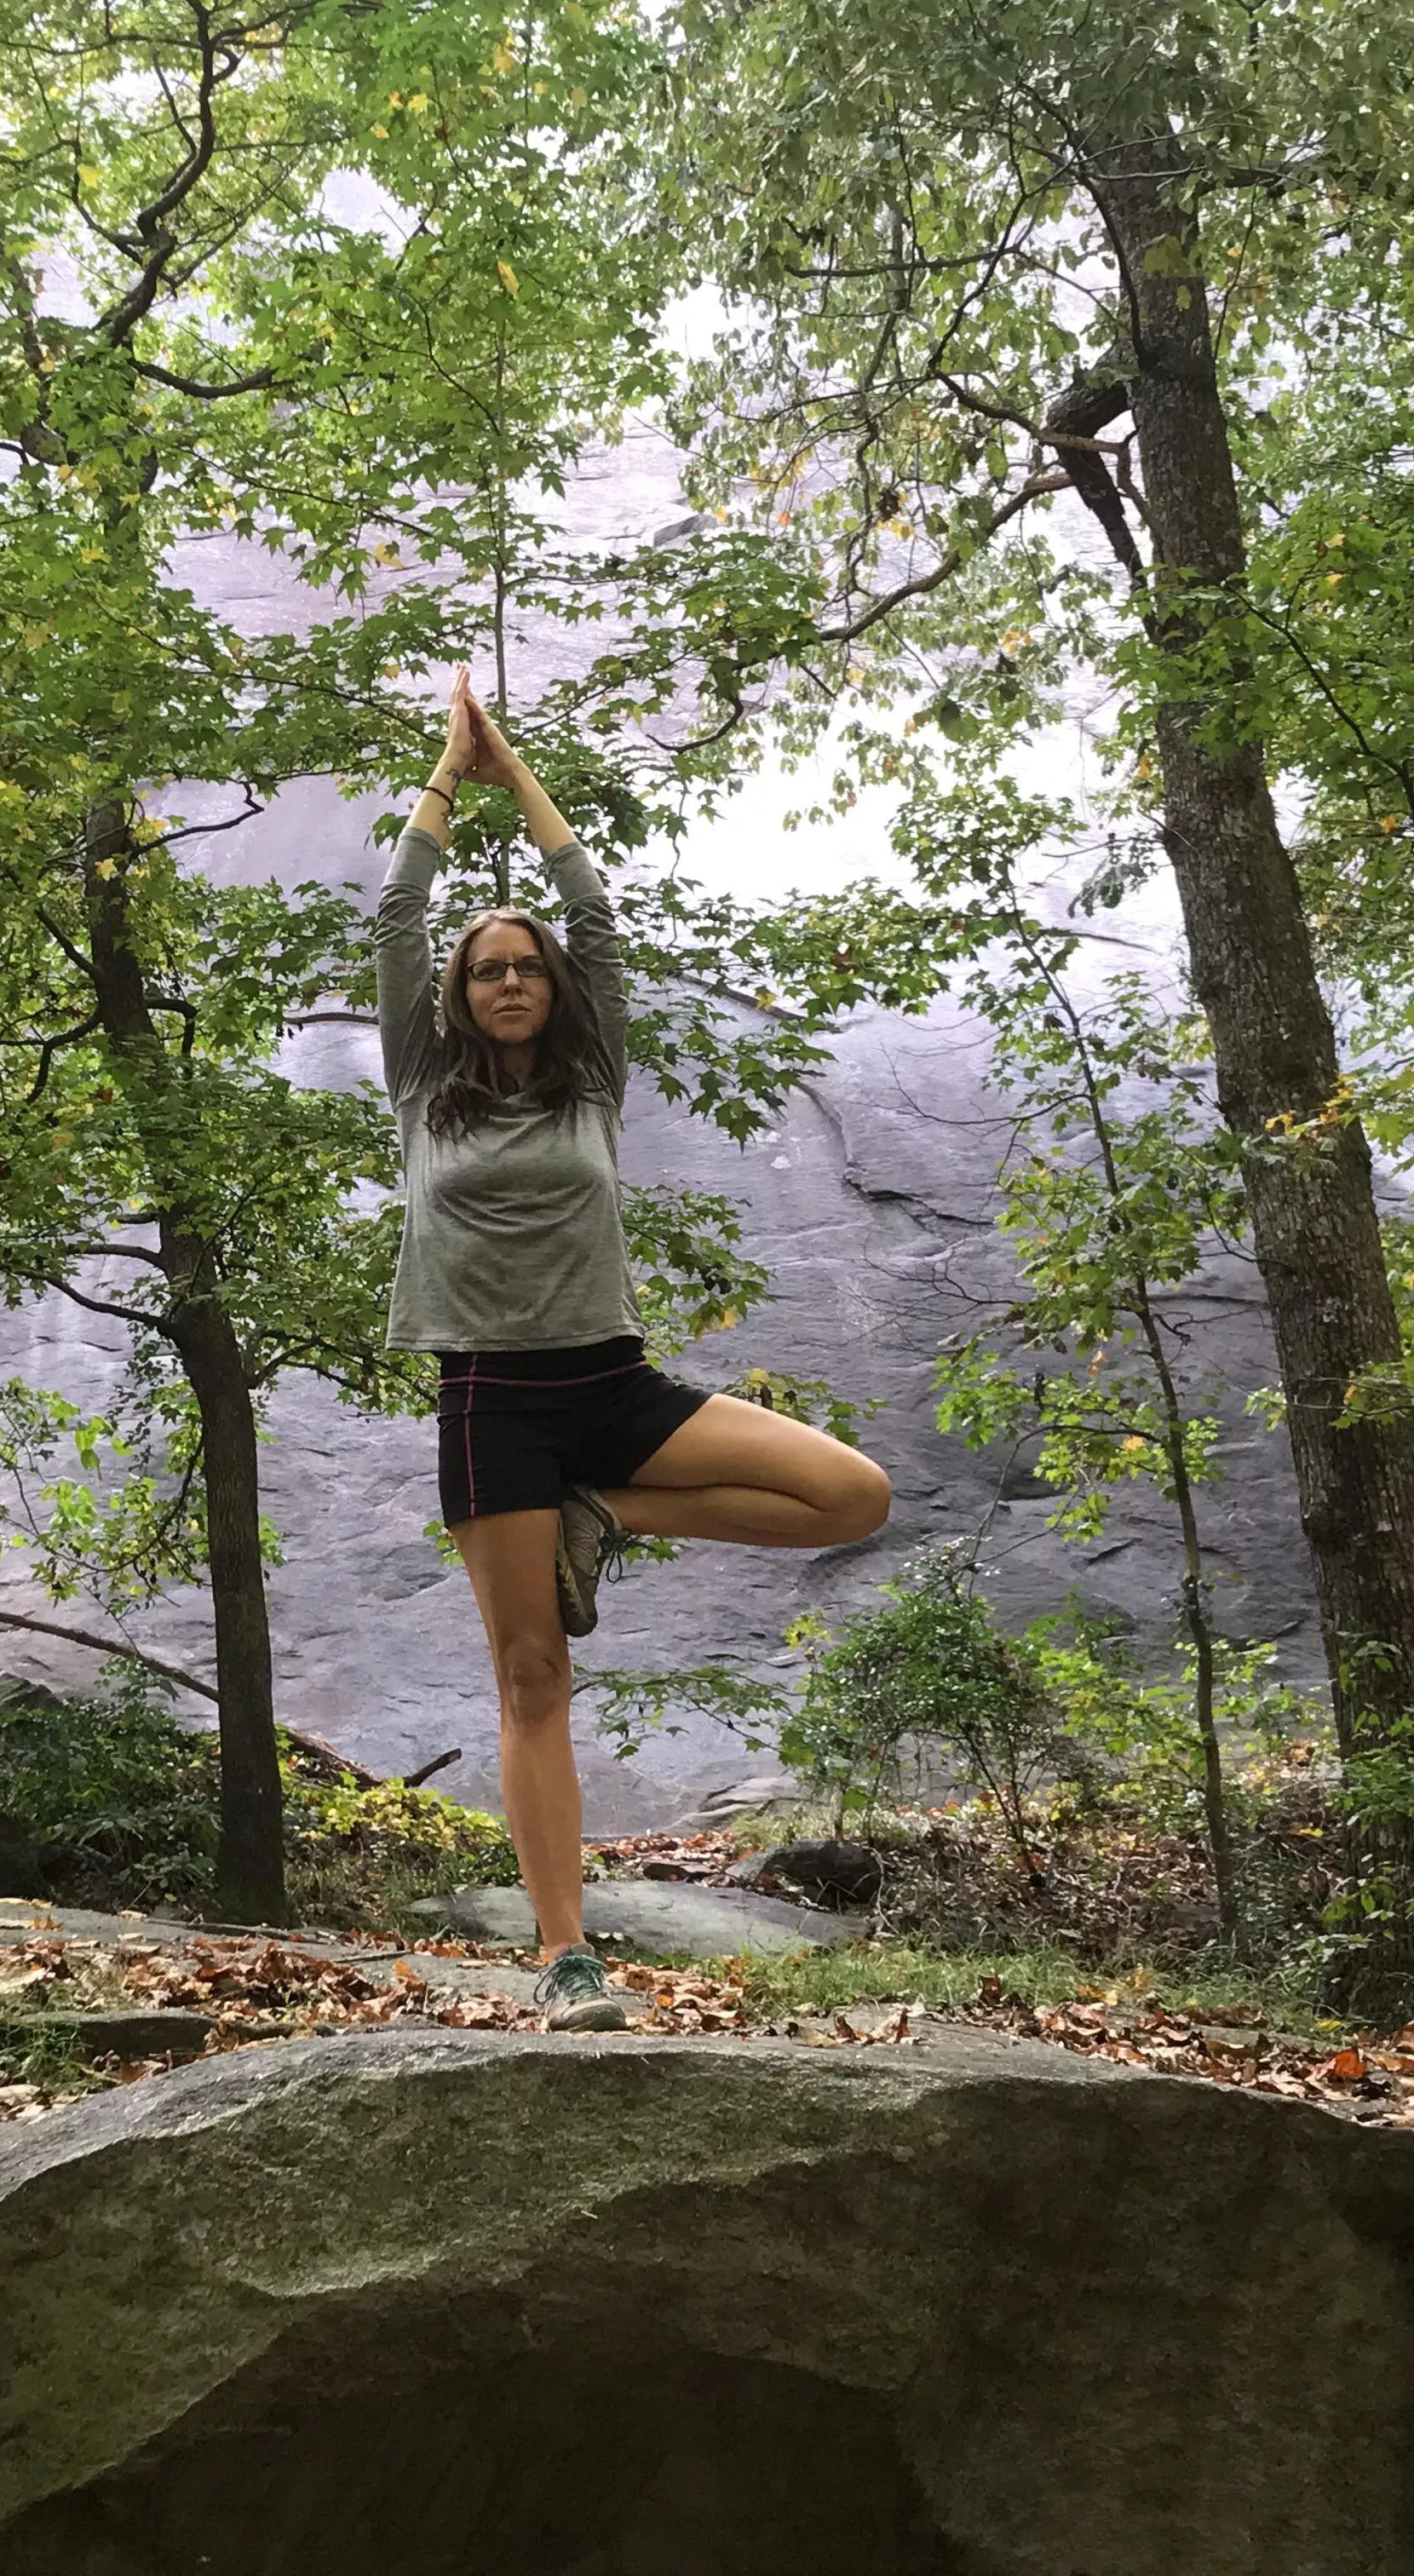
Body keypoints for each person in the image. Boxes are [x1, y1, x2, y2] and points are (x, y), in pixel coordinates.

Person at [376, 675, 891, 2033]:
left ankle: (604, 1516)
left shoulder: (593, 1079)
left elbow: (597, 917)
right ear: (458, 993)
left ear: (552, 989)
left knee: (852, 1494)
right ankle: (567, 1959)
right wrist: (446, 775)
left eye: (526, 967)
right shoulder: (423, 1090)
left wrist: (517, 773)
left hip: (612, 1383)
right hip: (492, 1403)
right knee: (533, 1676)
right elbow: (394, 918)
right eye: (486, 969)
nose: (508, 982)